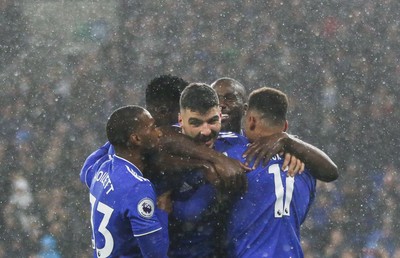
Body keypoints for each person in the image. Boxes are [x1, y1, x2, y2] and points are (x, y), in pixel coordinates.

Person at [223, 87, 338, 257]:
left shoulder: (231, 155)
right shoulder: (306, 168)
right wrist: (291, 143)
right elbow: (331, 172)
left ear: (251, 121)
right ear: (285, 126)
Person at [80, 105, 169, 258]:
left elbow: (85, 172)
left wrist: (115, 139)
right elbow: (156, 253)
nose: (159, 132)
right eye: (153, 127)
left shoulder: (103, 167)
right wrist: (162, 211)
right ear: (136, 139)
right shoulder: (137, 187)